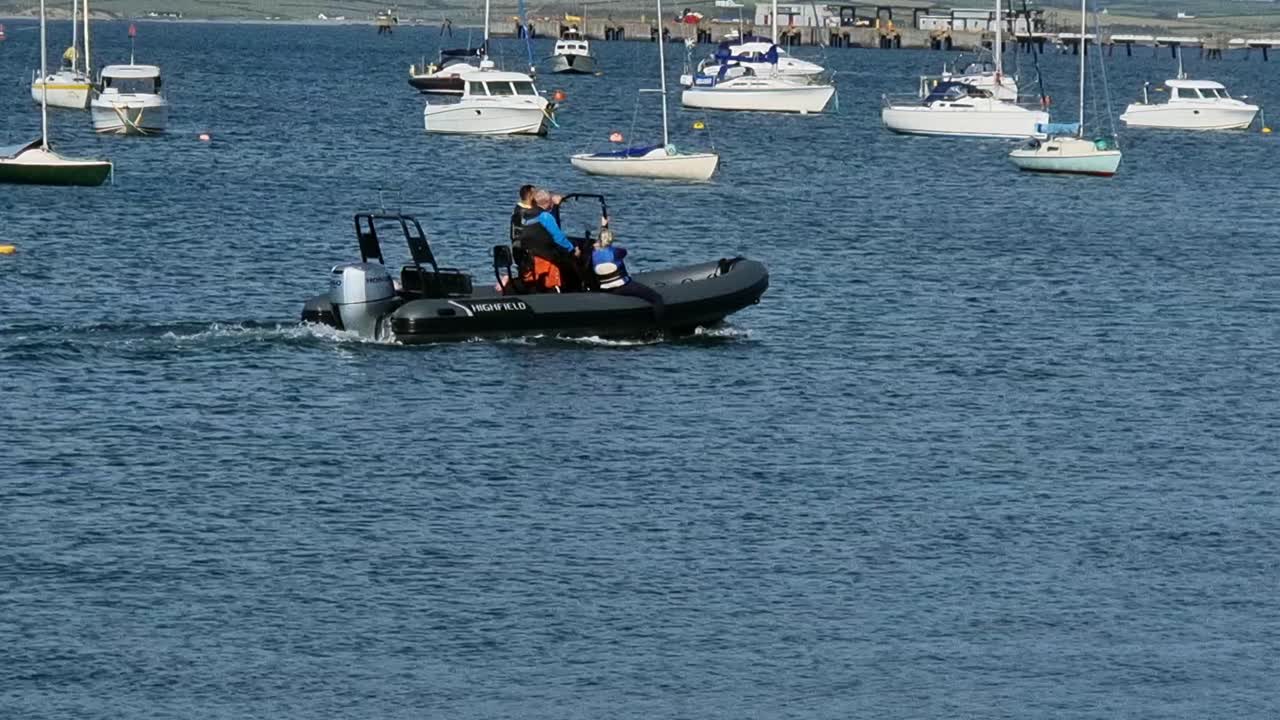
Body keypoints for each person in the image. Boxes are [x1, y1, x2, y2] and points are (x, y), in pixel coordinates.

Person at [591, 230, 665, 324]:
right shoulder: (616, 251)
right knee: (657, 298)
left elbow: (602, 246)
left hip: (606, 288)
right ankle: (659, 329)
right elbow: (624, 252)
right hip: (622, 287)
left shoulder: (593, 254)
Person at [517, 188, 582, 292]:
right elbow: (559, 239)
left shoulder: (525, 215)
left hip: (529, 256)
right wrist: (573, 249)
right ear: (548, 203)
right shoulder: (546, 217)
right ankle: (577, 288)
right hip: (546, 256)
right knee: (574, 256)